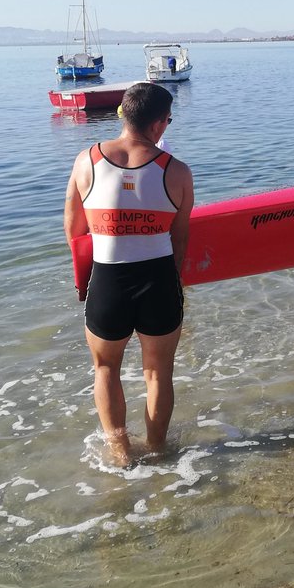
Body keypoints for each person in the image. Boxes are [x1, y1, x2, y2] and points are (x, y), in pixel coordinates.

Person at [64, 82, 194, 465]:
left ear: (123, 114)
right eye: (168, 120)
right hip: (158, 281)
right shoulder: (177, 172)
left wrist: (83, 282)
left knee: (105, 368)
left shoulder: (86, 161)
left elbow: (74, 231)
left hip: (107, 281)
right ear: (158, 124)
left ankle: (120, 455)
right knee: (158, 372)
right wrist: (174, 284)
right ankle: (158, 451)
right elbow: (180, 240)